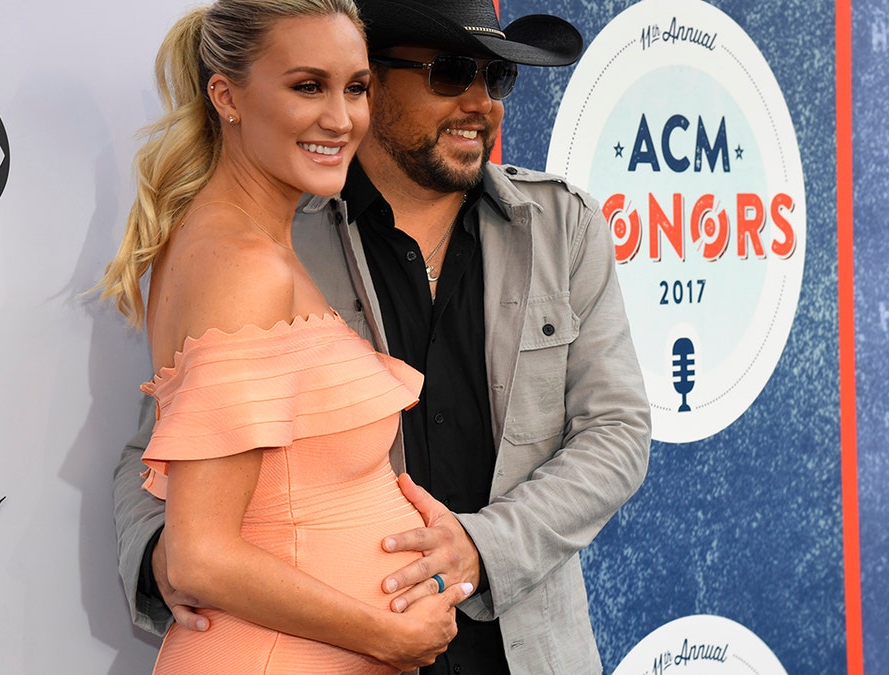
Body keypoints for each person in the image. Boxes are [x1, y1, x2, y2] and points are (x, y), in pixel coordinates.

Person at [113, 0, 653, 672]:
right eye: (452, 73)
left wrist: (482, 547)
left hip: (520, 646)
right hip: (330, 645)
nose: (481, 103)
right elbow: (161, 446)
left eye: (497, 80)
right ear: (383, 73)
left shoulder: (560, 227)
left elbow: (617, 432)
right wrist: (167, 552)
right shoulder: (277, 238)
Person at [98, 0, 473, 672]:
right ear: (227, 96)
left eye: (356, 87)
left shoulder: (241, 240)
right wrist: (383, 633)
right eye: (308, 86)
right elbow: (199, 553)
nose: (341, 118)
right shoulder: (243, 267)